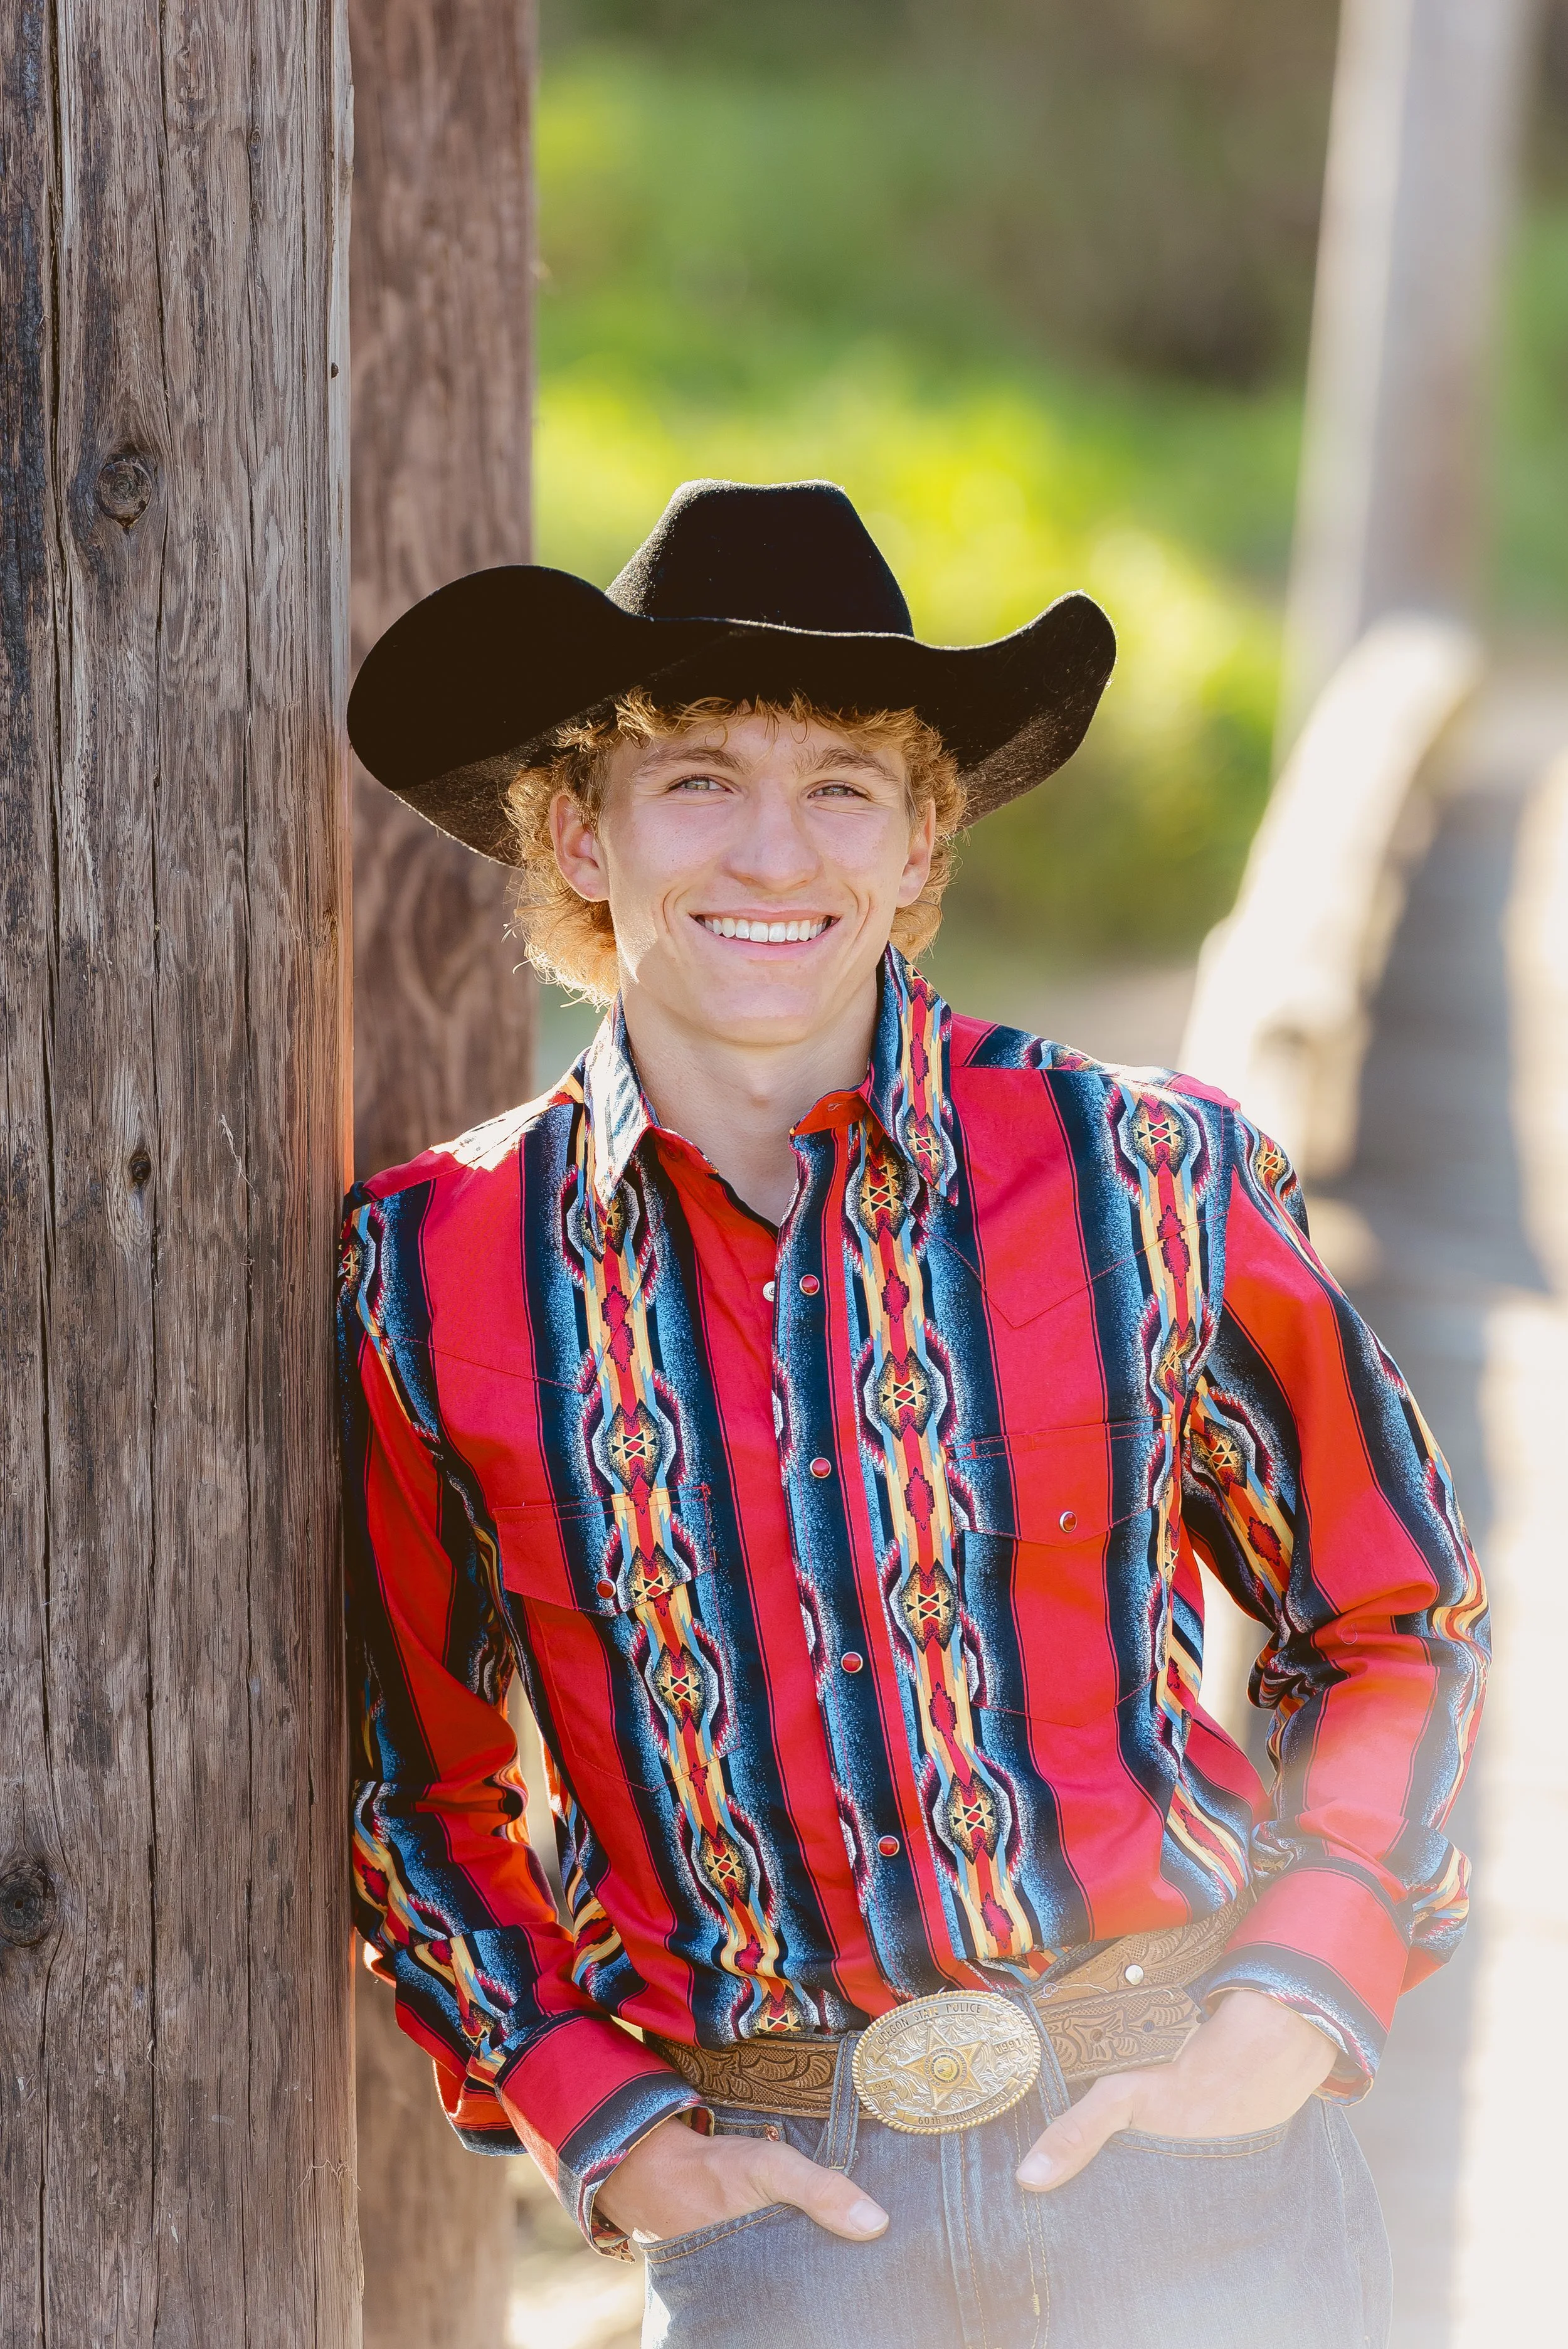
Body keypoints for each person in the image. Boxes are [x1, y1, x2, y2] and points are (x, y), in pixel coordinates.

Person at [340, 479, 1486, 2349]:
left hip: (1189, 2165)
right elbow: (428, 1790)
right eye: (697, 776)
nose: (772, 854)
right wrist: (610, 2126)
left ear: (921, 840)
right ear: (576, 831)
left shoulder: (1144, 1180)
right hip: (783, 2220)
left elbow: (1389, 1619)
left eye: (845, 787)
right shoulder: (433, 1275)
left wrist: (1290, 2003)